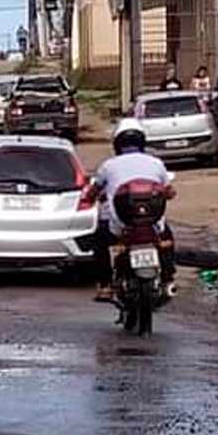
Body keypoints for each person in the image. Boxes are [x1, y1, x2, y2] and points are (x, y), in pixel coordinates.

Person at [89, 119, 176, 302]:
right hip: (153, 227)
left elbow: (93, 191)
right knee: (168, 240)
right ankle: (168, 280)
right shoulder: (156, 163)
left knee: (99, 242)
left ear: (117, 144)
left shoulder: (108, 166)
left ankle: (105, 286)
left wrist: (89, 197)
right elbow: (169, 192)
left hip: (121, 227)